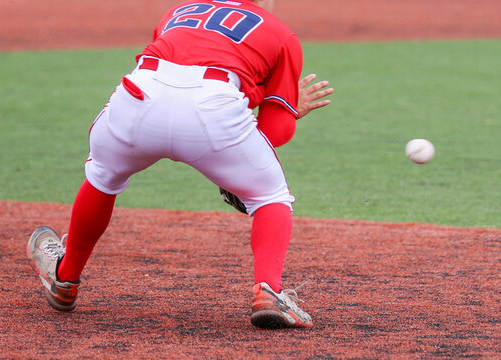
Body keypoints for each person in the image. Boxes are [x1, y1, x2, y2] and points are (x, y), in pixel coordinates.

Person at [26, 0, 332, 329]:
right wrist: (247, 151)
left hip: (139, 96)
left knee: (103, 176)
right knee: (269, 195)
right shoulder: (280, 33)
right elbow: (277, 130)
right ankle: (268, 291)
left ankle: (65, 277)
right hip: (214, 107)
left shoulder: (180, 10)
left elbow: (177, 69)